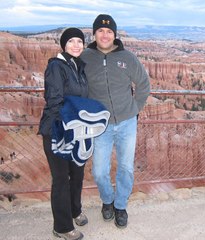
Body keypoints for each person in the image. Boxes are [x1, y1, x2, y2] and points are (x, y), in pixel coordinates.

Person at [81, 14, 150, 228]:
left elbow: (144, 84)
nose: (105, 34)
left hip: (127, 122)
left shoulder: (127, 57)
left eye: (109, 31)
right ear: (94, 33)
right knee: (99, 171)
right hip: (101, 125)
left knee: (126, 168)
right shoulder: (85, 57)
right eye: (100, 31)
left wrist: (134, 108)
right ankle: (107, 200)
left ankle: (120, 206)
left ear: (114, 34)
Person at [38, 28, 89, 240]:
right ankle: (61, 226)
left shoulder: (77, 66)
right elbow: (55, 100)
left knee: (76, 174)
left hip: (76, 130)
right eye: (71, 41)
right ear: (64, 45)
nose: (76, 45)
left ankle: (74, 210)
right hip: (58, 130)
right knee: (61, 179)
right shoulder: (56, 67)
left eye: (80, 41)